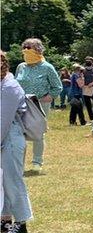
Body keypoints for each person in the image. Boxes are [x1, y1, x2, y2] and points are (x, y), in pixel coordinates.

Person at [14, 38, 62, 171]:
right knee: (19, 132)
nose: (26, 51)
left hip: (40, 103)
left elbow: (57, 87)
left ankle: (37, 162)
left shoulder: (47, 67)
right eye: (25, 48)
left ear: (38, 50)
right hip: (22, 103)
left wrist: (50, 96)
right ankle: (19, 163)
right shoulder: (21, 66)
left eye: (29, 48)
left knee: (37, 133)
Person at [1, 51, 33, 233]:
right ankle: (5, 220)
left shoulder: (9, 87)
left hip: (10, 137)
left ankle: (21, 224)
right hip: (3, 137)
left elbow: (3, 120)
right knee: (2, 183)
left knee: (13, 181)